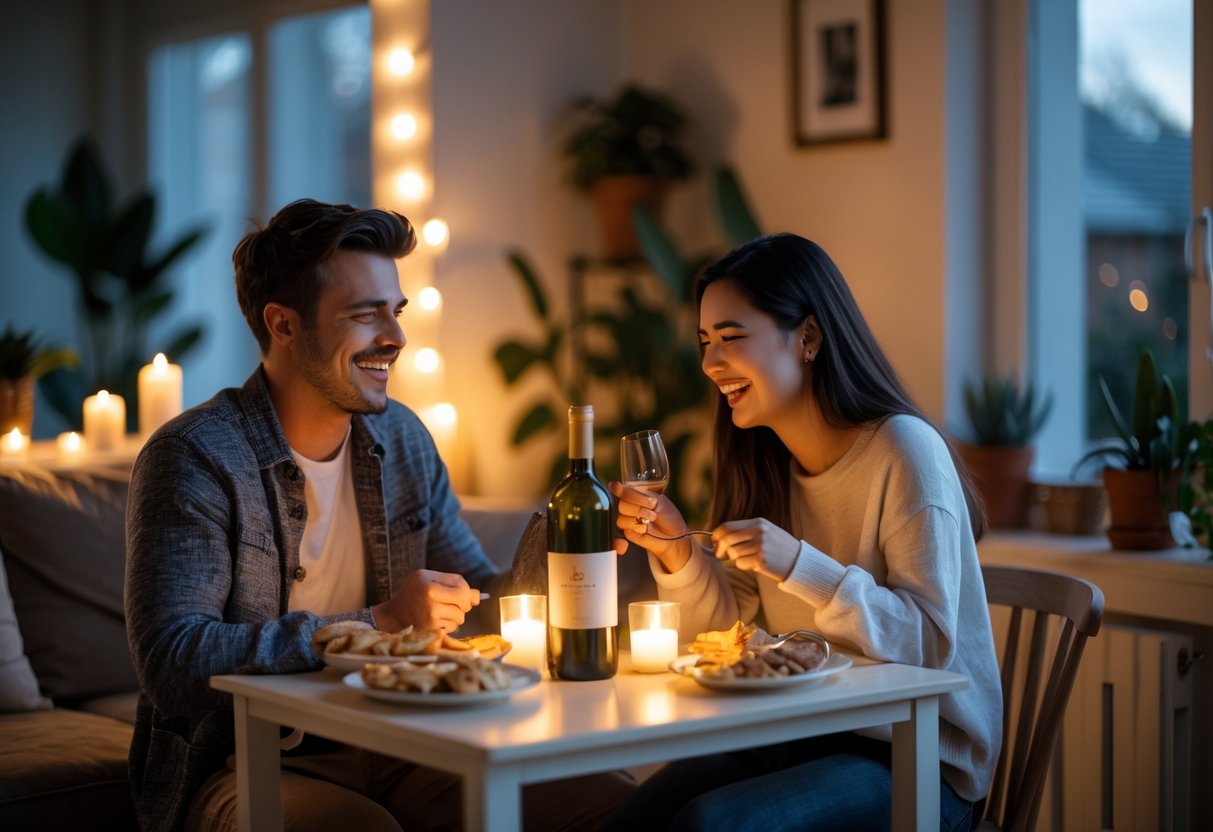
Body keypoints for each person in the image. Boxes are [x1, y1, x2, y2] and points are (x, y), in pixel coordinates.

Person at [125, 199, 635, 832]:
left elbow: (483, 600)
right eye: (365, 315)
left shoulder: (403, 439)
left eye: (394, 312)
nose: (394, 338)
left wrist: (565, 548)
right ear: (283, 325)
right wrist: (377, 624)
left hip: (405, 741)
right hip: (246, 761)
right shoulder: (196, 456)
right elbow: (174, 662)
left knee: (614, 801)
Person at [603, 233, 1002, 831]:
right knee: (631, 820)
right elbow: (729, 638)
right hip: (799, 735)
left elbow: (929, 644)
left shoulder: (904, 451)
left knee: (710, 825)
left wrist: (800, 565)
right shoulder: (762, 461)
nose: (711, 364)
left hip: (919, 764)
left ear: (809, 337)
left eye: (732, 338)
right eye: (705, 342)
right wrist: (678, 555)